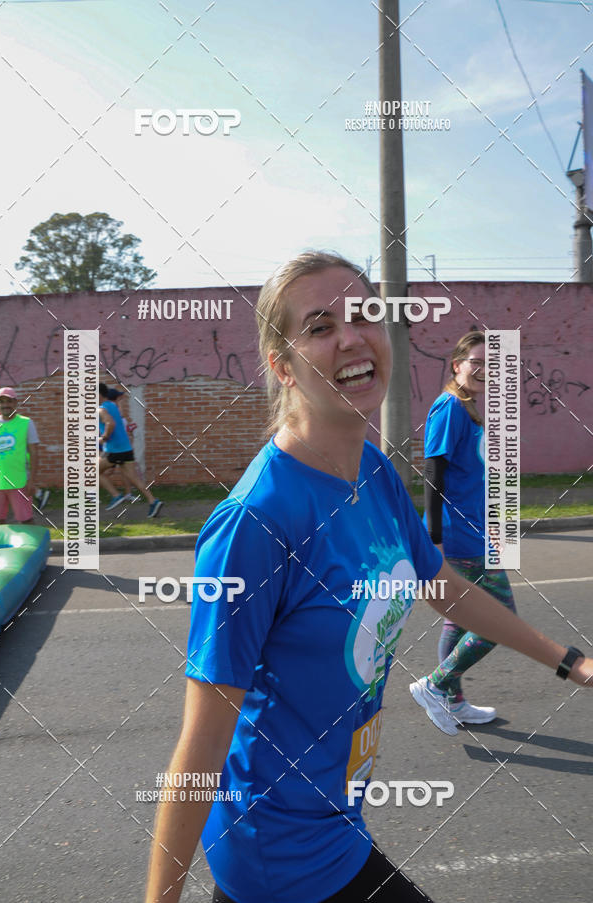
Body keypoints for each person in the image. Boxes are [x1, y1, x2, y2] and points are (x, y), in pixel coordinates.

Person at [144, 253, 593, 903]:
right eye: (320, 326)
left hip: (338, 824)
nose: (351, 336)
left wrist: (569, 659)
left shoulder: (375, 472)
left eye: (364, 315)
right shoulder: (256, 522)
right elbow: (202, 739)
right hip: (282, 855)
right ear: (282, 364)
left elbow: (442, 584)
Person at [409, 331, 515, 735]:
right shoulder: (449, 407)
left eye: (491, 363)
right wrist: (435, 538)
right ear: (457, 366)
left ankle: (453, 701)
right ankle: (435, 686)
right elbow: (433, 473)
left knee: (457, 620)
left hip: (475, 531)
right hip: (458, 537)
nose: (484, 369)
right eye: (476, 361)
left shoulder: (469, 408)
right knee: (500, 617)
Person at [98, 383, 162, 518]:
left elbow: (111, 423)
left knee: (94, 471)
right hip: (126, 448)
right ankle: (153, 500)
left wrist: (104, 437)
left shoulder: (101, 410)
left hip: (114, 450)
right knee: (134, 478)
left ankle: (116, 495)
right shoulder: (112, 406)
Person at [0, 387, 39, 525]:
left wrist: (32, 481)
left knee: (26, 520)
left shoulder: (26, 423)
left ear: (16, 403)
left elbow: (34, 453)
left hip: (19, 482)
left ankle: (34, 547)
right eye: (2, 401)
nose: (6, 405)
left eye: (9, 401)